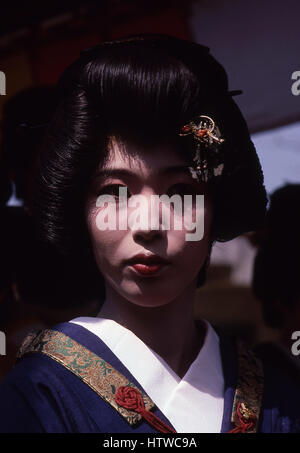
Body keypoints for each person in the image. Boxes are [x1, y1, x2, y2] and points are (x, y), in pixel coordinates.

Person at [0, 34, 299, 433]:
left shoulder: (280, 398)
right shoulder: (37, 394)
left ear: (217, 208)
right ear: (81, 210)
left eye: (181, 192)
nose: (148, 225)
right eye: (114, 192)